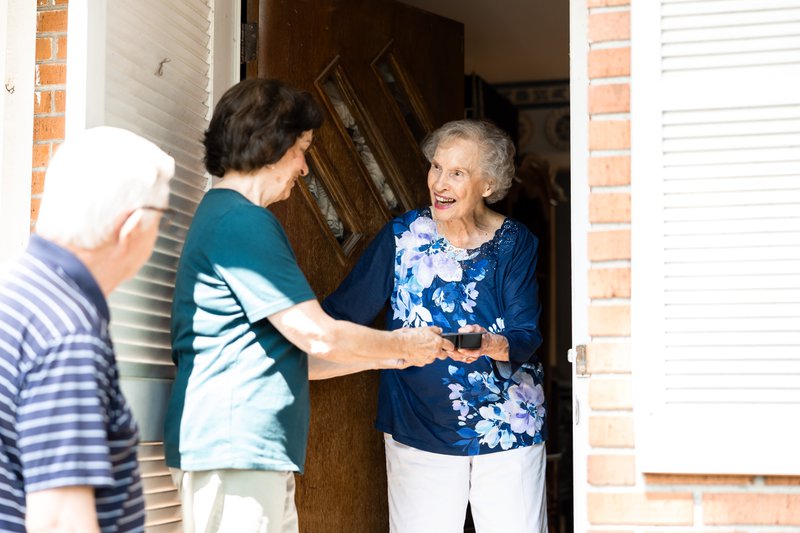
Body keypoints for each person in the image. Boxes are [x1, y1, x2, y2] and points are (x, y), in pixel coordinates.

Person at [163, 78, 450, 533]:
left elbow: (303, 358)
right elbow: (318, 332)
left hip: (249, 449)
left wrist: (396, 357)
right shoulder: (242, 222)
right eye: (302, 149)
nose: (304, 168)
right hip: (236, 446)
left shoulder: (231, 217)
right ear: (271, 146)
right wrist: (400, 342)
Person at [323, 119, 548, 532]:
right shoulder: (401, 236)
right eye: (436, 167)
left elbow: (525, 333)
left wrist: (490, 343)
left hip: (508, 425)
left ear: (488, 184)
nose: (440, 183)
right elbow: (342, 314)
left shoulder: (517, 243)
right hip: (417, 423)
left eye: (457, 173)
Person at [0, 127, 175, 532]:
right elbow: (60, 520)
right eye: (161, 221)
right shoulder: (68, 334)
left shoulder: (17, 290)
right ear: (131, 227)